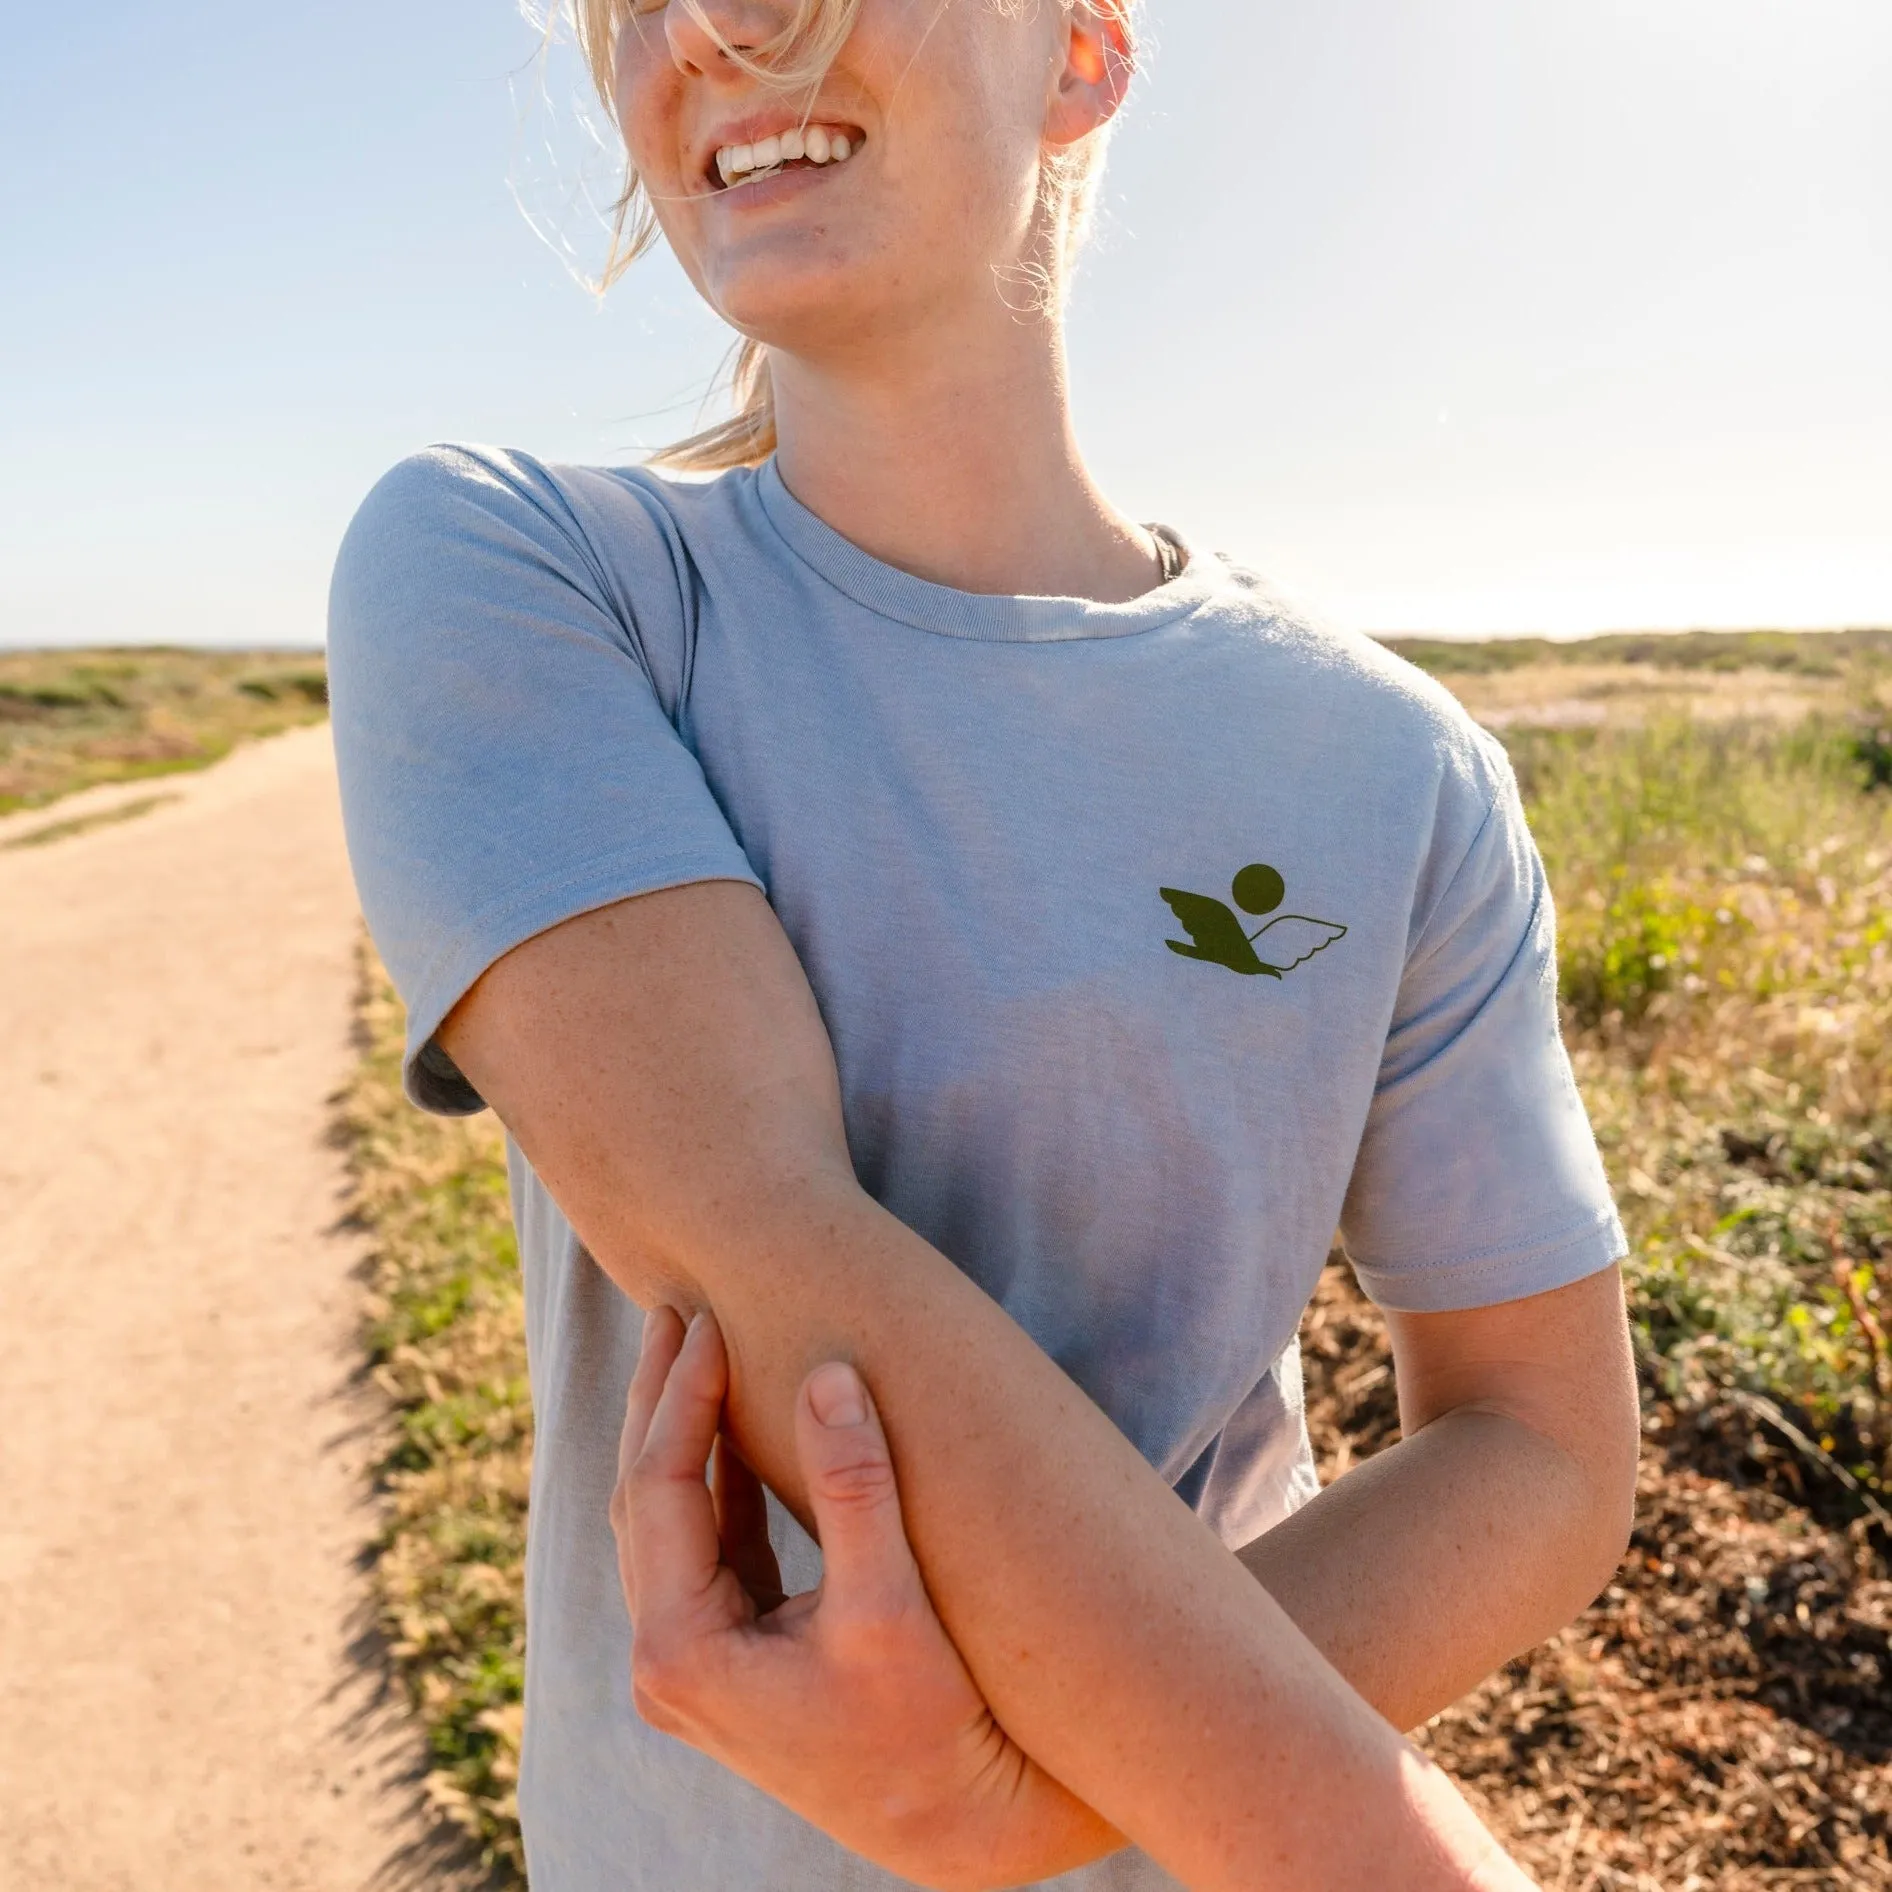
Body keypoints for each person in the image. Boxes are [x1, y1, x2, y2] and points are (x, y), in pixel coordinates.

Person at [327, 0, 1640, 1886]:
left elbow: (1541, 1445)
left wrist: (1030, 1801)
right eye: (641, 5)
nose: (714, 28)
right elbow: (758, 1242)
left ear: (1087, 53)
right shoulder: (528, 575)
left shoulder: (1393, 764)